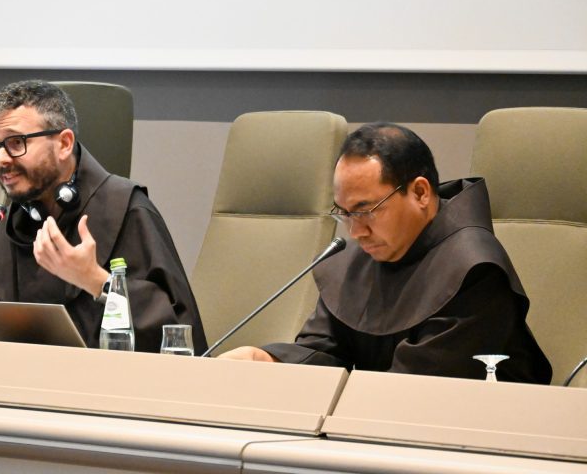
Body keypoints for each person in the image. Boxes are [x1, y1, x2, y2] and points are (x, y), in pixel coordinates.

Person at [220, 122, 552, 383]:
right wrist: (267, 360)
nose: (355, 231)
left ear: (420, 192)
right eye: (344, 213)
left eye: (367, 210)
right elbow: (323, 351)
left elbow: (418, 388)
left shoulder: (473, 269)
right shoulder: (362, 258)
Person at [0, 80, 207, 354]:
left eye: (16, 143)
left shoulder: (127, 210)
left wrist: (95, 280)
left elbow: (183, 339)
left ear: (64, 144)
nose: (2, 159)